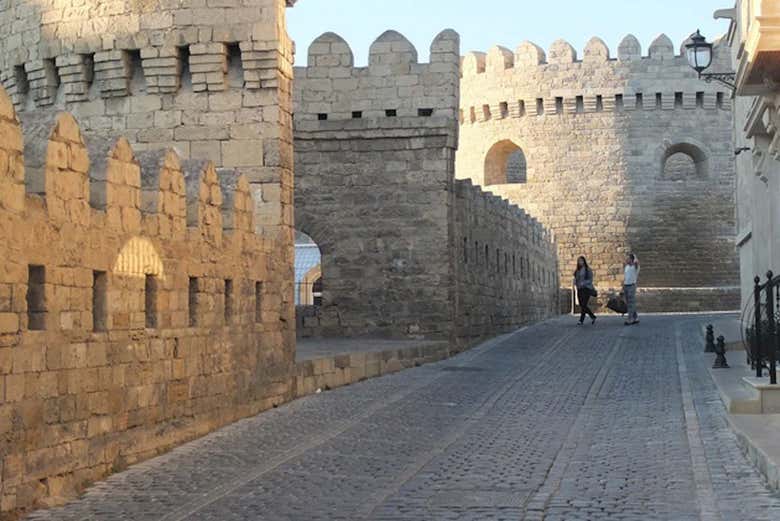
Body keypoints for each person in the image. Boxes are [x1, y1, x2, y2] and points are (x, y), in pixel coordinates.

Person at [573, 256, 597, 325]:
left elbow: (590, 280)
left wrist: (583, 283)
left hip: (586, 289)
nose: (580, 262)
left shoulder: (588, 269)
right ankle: (592, 316)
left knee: (584, 304)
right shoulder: (577, 270)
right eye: (579, 261)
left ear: (584, 261)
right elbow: (575, 278)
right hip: (579, 289)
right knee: (582, 304)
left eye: (581, 261)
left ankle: (581, 320)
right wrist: (575, 282)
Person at [624, 253, 640, 325]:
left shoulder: (635, 267)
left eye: (628, 258)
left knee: (631, 302)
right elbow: (625, 278)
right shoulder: (626, 267)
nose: (626, 259)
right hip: (626, 286)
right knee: (629, 303)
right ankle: (635, 317)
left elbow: (637, 262)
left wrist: (634, 256)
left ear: (632, 259)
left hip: (632, 286)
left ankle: (630, 319)